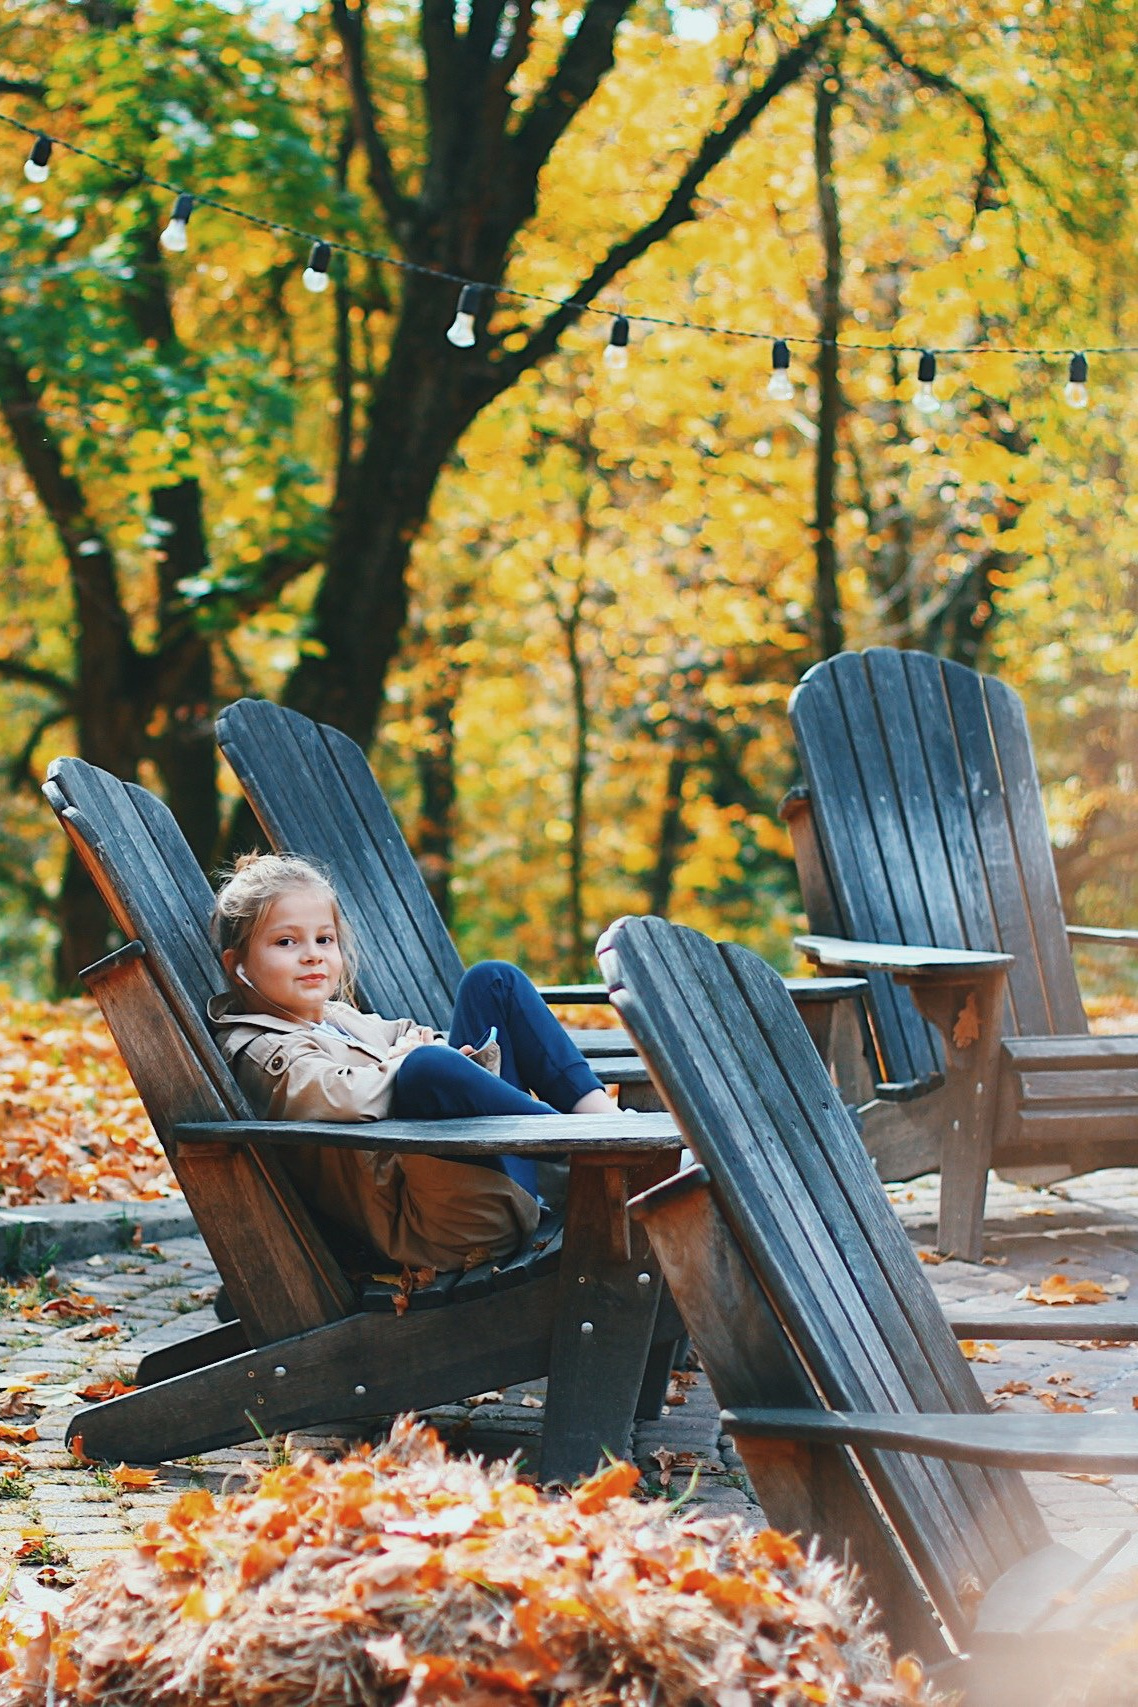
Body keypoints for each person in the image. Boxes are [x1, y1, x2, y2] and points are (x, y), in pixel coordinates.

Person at [207, 852, 612, 1273]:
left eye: (324, 939)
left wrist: (445, 1060)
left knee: (492, 980)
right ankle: (596, 1155)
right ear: (238, 968)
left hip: (492, 1173)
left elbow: (411, 1033)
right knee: (423, 1068)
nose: (312, 955)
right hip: (448, 1223)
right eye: (286, 942)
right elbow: (342, 1096)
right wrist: (412, 1062)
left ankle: (611, 1127)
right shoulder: (260, 1048)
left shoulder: (336, 1018)